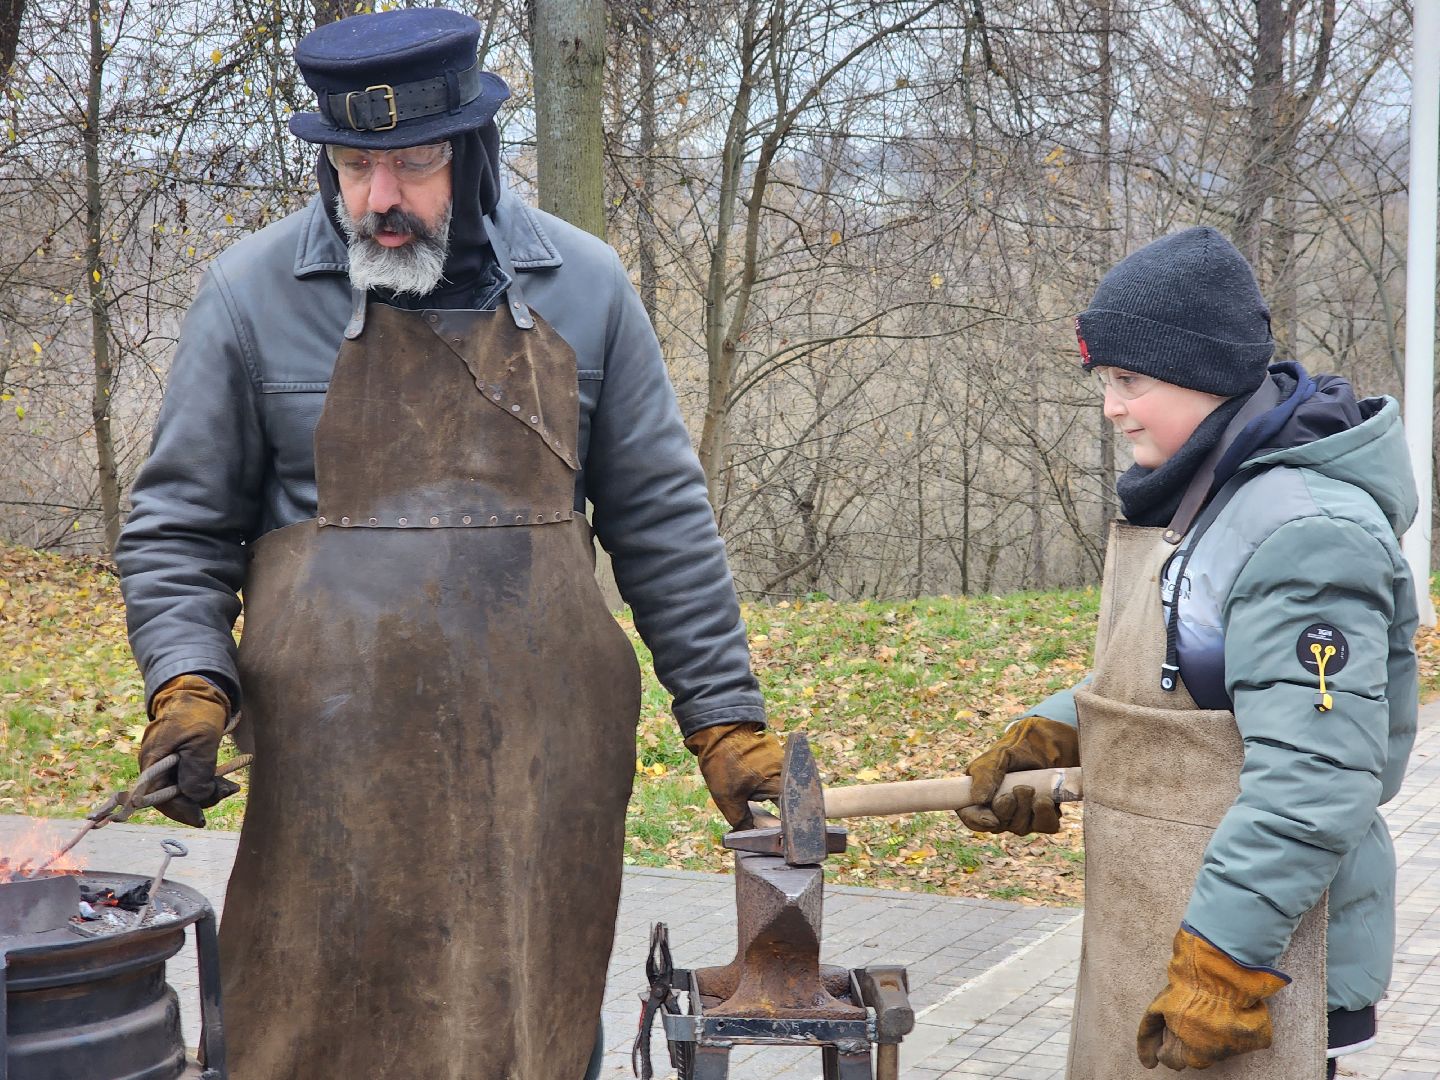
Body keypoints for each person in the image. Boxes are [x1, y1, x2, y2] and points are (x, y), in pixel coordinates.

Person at [112, 8, 783, 1078]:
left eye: (412, 164)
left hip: (539, 782)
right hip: (331, 779)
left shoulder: (588, 287)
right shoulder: (249, 296)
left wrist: (726, 722)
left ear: (471, 152)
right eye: (352, 166)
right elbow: (178, 527)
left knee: (527, 1034)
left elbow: (662, 522)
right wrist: (190, 680)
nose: (380, 200)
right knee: (311, 1035)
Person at [959, 227, 1418, 1079]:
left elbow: (1317, 777)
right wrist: (1059, 730)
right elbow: (1193, 662)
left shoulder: (1306, 533)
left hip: (1262, 959)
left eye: (1130, 380)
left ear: (1201, 372)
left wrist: (1222, 965)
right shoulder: (1213, 493)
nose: (1111, 406)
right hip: (1168, 925)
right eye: (1105, 380)